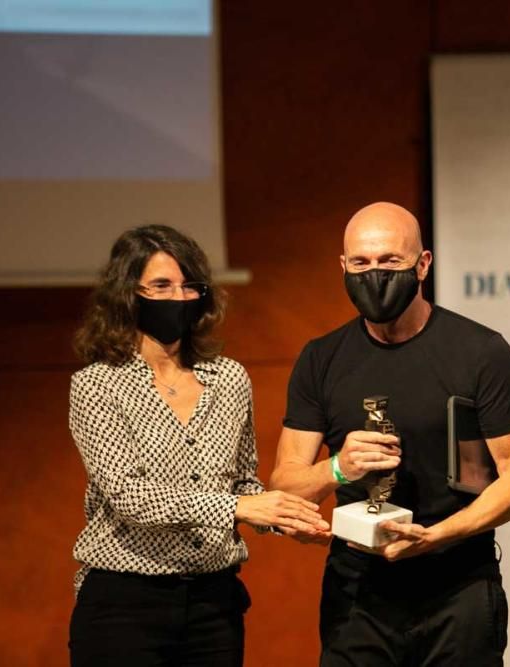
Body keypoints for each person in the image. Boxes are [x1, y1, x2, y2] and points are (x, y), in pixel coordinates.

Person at [270, 202, 510, 666]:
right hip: (357, 593)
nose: (374, 274)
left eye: (390, 261)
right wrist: (338, 467)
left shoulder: (480, 352)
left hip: (458, 586)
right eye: (361, 263)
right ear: (343, 266)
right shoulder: (321, 359)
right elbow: (285, 484)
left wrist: (436, 537)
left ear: (422, 264)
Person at [67, 224, 330, 667]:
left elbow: (242, 483)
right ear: (128, 293)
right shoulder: (96, 386)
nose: (179, 298)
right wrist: (237, 509)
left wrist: (281, 517)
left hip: (214, 606)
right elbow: (130, 498)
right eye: (162, 286)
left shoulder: (229, 379)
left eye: (190, 286)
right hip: (125, 607)